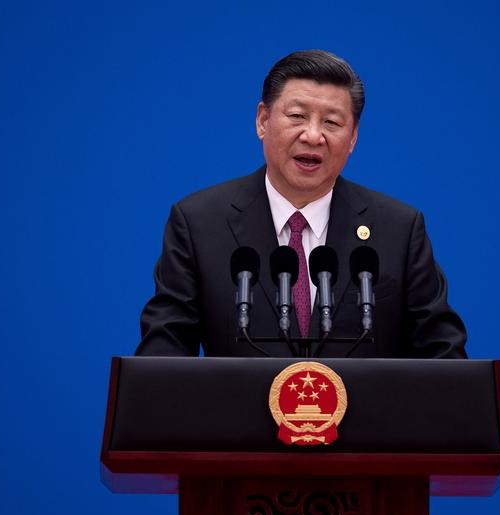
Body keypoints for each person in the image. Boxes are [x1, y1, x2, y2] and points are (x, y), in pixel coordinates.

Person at [135, 50, 467, 358]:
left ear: (352, 138)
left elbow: (444, 355)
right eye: (297, 116)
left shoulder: (399, 229)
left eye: (332, 123)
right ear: (263, 120)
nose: (312, 135)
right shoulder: (198, 223)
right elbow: (164, 356)